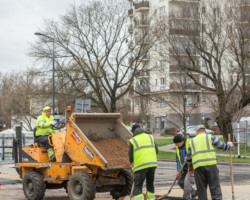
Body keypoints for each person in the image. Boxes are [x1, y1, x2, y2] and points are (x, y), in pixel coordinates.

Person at [187, 125, 233, 200]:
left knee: (201, 190)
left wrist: (190, 167)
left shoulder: (191, 141)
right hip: (211, 166)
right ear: (205, 131)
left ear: (196, 132)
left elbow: (189, 157)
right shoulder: (210, 137)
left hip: (198, 168)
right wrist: (229, 145)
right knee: (215, 188)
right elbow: (221, 146)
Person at [128, 124, 158, 200]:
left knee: (138, 186)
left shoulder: (133, 140)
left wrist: (132, 162)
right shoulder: (150, 137)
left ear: (133, 131)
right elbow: (156, 151)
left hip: (140, 166)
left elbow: (130, 155)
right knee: (150, 185)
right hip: (152, 165)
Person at [173, 134, 197, 200]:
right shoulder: (178, 147)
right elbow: (178, 160)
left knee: (187, 183)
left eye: (176, 143)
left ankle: (186, 198)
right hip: (184, 169)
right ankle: (194, 192)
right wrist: (179, 171)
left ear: (181, 141)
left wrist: (189, 158)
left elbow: (196, 153)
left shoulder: (190, 143)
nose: (175, 145)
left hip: (191, 168)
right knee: (180, 182)